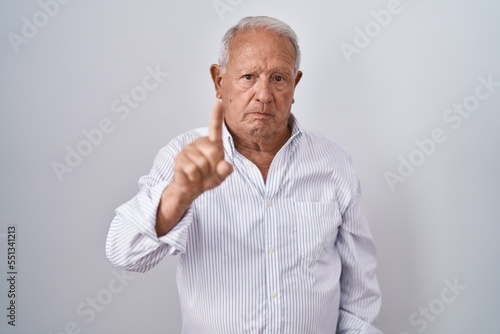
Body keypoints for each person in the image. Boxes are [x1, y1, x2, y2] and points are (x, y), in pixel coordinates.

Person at [106, 16, 382, 333]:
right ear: (219, 82)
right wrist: (178, 195)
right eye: (248, 77)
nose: (264, 94)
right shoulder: (184, 157)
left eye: (278, 78)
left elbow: (359, 295)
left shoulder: (334, 163)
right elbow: (124, 254)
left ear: (295, 84)